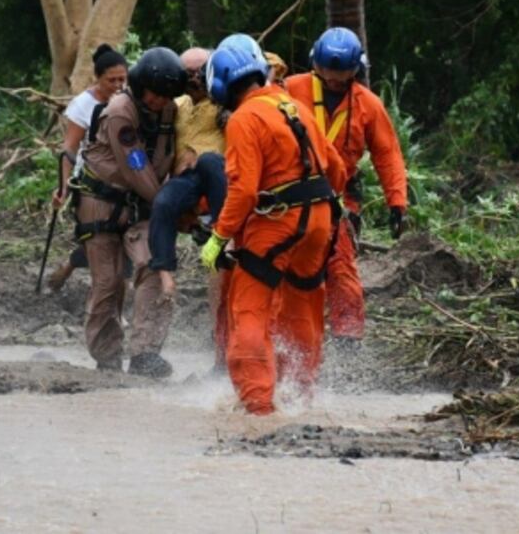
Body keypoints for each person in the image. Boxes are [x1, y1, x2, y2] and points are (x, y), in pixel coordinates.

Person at [200, 39, 346, 415]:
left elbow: (244, 190)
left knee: (248, 311)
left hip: (276, 226)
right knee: (303, 309)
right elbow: (338, 170)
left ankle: (258, 406)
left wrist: (219, 237)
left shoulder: (244, 120)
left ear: (221, 84)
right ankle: (301, 395)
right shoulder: (295, 106)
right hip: (319, 224)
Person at [61, 46, 187, 377]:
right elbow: (135, 166)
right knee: (109, 282)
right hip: (103, 202)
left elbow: (168, 156)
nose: (160, 101)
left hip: (144, 203)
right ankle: (107, 357)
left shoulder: (170, 111)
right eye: (156, 94)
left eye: (166, 96)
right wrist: (167, 204)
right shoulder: (120, 111)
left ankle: (145, 353)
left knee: (153, 267)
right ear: (141, 85)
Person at [285, 27, 408, 346]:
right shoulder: (290, 89)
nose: (336, 80)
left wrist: (397, 201)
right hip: (289, 193)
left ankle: (347, 338)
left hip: (338, 197)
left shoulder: (367, 104)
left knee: (340, 266)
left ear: (356, 69)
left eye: (342, 74)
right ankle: (282, 335)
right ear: (317, 65)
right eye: (329, 73)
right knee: (281, 264)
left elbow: (387, 153)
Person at [48, 44, 129, 291]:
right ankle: (108, 289)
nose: (117, 85)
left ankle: (71, 266)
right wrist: (63, 187)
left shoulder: (130, 99)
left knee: (122, 235)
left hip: (126, 177)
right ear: (97, 78)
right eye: (111, 80)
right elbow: (70, 149)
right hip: (92, 179)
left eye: (122, 79)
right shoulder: (83, 105)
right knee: (98, 234)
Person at [147, 47, 228, 298]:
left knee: (222, 270)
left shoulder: (225, 102)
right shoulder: (176, 105)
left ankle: (225, 237)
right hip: (185, 179)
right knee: (162, 203)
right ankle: (165, 274)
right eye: (188, 73)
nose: (194, 79)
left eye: (200, 72)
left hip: (219, 175)